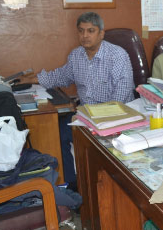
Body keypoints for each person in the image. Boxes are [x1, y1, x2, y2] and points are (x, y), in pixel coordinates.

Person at [21, 12, 134, 188]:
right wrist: (31, 80)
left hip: (115, 118)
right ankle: (71, 185)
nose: (85, 36)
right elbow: (61, 76)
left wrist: (92, 118)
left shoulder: (117, 55)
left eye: (91, 31)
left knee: (96, 147)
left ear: (101, 34)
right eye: (81, 31)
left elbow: (121, 97)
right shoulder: (76, 55)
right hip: (86, 115)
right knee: (57, 132)